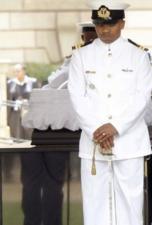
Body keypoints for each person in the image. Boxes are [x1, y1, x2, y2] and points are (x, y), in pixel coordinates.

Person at [68, 1, 152, 225]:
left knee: (130, 203)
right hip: (93, 141)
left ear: (122, 23)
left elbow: (141, 98)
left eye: (110, 24)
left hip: (128, 141)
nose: (104, 30)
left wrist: (114, 127)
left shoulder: (138, 55)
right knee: (95, 202)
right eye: (99, 24)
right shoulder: (81, 56)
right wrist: (97, 130)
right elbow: (77, 97)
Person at [18, 22, 97, 225]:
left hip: (75, 130)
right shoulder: (76, 56)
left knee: (54, 185)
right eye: (88, 34)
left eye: (91, 34)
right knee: (44, 185)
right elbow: (56, 81)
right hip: (54, 130)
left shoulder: (97, 57)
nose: (89, 38)